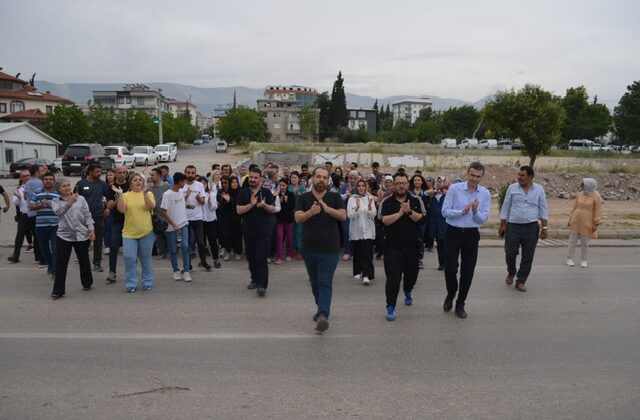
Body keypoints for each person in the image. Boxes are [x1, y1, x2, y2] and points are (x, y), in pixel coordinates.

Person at [295, 167, 346, 332]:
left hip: (330, 249)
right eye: (318, 176)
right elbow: (298, 218)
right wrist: (311, 212)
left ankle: (323, 314)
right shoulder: (303, 198)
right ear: (312, 179)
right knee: (315, 282)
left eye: (324, 177)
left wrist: (327, 208)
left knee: (325, 282)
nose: (321, 180)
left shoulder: (335, 197)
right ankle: (320, 308)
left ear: (328, 180)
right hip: (309, 248)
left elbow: (343, 216)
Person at [441, 162, 491, 319]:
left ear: (482, 177)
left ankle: (460, 303)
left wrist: (475, 211)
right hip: (453, 232)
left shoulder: (484, 194)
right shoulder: (455, 189)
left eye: (478, 176)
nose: (474, 179)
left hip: (471, 234)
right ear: (467, 174)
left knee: (468, 271)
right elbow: (445, 212)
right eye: (472, 175)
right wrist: (461, 211)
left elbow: (483, 219)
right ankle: (451, 292)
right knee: (449, 268)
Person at [379, 174, 426, 321]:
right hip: (392, 247)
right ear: (393, 185)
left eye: (404, 183)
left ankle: (407, 290)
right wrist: (400, 213)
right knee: (393, 278)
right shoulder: (386, 201)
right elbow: (384, 221)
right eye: (398, 183)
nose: (401, 186)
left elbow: (422, 218)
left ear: (408, 184)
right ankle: (390, 306)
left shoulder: (416, 200)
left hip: (412, 246)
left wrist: (410, 212)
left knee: (412, 275)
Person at [499, 166, 549, 292]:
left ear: (530, 177)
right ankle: (511, 271)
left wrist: (545, 227)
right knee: (510, 253)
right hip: (513, 227)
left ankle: (521, 280)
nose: (519, 177)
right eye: (518, 175)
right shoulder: (512, 188)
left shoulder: (539, 190)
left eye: (522, 175)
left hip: (531, 228)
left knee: (528, 256)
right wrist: (503, 224)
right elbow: (506, 206)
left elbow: (543, 208)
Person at [50, 179, 95, 299]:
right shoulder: (55, 201)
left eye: (68, 185)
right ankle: (58, 290)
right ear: (59, 189)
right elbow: (58, 213)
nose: (67, 188)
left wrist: (91, 229)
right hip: (64, 235)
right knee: (61, 263)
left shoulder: (81, 199)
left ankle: (87, 282)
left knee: (84, 259)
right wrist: (69, 203)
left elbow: (87, 214)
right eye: (63, 186)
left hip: (81, 234)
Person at [236, 167, 276, 297]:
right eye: (251, 177)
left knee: (261, 258)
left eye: (255, 178)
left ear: (260, 179)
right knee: (251, 257)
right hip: (248, 230)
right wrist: (251, 205)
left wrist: (264, 205)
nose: (252, 180)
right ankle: (254, 278)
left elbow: (273, 209)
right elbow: (238, 211)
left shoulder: (266, 192)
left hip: (264, 231)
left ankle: (262, 285)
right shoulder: (243, 193)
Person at [114, 173, 156, 293]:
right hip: (129, 233)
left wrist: (144, 194)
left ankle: (147, 282)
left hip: (146, 231)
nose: (138, 182)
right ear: (130, 183)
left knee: (146, 258)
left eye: (140, 180)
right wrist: (120, 194)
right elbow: (121, 209)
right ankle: (131, 283)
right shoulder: (126, 195)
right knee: (129, 257)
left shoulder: (148, 193)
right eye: (135, 180)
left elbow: (150, 206)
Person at [74, 163, 108, 272]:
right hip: (83, 218)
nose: (99, 174)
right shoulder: (81, 183)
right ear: (90, 172)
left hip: (98, 216)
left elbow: (108, 197)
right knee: (83, 240)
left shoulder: (102, 184)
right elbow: (74, 198)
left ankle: (97, 263)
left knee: (98, 241)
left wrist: (107, 208)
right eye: (97, 171)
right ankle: (83, 259)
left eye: (100, 171)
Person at [161, 172, 192, 282]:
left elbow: (180, 204)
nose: (185, 183)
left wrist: (188, 204)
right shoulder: (167, 194)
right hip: (171, 227)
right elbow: (164, 212)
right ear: (179, 182)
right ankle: (176, 271)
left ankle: (187, 271)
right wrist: (174, 225)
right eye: (184, 181)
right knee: (173, 250)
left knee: (185, 246)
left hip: (183, 224)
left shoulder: (181, 192)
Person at [181, 165, 212, 271]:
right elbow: (178, 203)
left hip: (197, 218)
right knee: (187, 244)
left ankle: (203, 262)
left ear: (195, 173)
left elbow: (203, 202)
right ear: (185, 173)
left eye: (192, 173)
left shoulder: (199, 185)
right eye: (188, 172)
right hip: (185, 218)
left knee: (201, 242)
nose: (190, 175)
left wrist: (199, 198)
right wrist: (186, 197)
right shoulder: (181, 185)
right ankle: (188, 265)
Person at [29, 172, 60, 277]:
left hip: (55, 225)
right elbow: (31, 206)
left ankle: (55, 270)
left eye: (50, 179)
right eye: (46, 179)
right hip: (41, 225)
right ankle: (50, 265)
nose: (48, 181)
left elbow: (61, 208)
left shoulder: (58, 193)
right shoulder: (37, 192)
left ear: (54, 181)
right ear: (42, 181)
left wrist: (50, 204)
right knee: (43, 248)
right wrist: (41, 204)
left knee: (55, 248)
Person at [566, 178, 602, 268]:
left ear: (588, 185)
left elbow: (598, 211)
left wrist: (596, 223)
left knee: (585, 241)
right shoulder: (579, 194)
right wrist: (570, 219)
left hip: (587, 221)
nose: (581, 186)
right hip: (576, 220)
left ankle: (584, 259)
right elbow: (574, 207)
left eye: (583, 184)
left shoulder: (596, 196)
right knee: (572, 240)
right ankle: (569, 258)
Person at [347, 179, 377, 285]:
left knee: (367, 253)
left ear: (366, 187)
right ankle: (357, 271)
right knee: (358, 252)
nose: (360, 188)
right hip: (356, 231)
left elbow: (373, 214)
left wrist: (369, 207)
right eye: (359, 186)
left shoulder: (370, 198)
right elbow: (350, 215)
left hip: (368, 230)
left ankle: (367, 275)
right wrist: (357, 208)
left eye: (362, 186)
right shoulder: (351, 199)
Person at [105, 165, 130, 284]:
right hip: (116, 221)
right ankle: (112, 272)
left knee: (130, 249)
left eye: (124, 172)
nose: (122, 174)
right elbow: (109, 205)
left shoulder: (131, 185)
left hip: (130, 221)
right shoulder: (111, 188)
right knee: (114, 246)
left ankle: (131, 272)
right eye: (119, 172)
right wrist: (120, 197)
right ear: (115, 174)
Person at [24, 164, 47, 266]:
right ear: (37, 172)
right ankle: (42, 259)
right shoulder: (40, 183)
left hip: (31, 213)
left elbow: (25, 196)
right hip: (39, 212)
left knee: (36, 236)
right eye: (42, 171)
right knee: (40, 237)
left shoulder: (28, 183)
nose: (43, 172)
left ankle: (37, 257)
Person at [8, 170, 32, 263]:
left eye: (28, 175)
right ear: (21, 178)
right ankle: (16, 255)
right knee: (20, 235)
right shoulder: (19, 189)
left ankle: (40, 257)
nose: (26, 177)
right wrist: (18, 196)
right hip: (24, 215)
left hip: (35, 214)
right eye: (24, 176)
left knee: (38, 237)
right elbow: (15, 202)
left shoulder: (37, 186)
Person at [426, 176, 449, 271]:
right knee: (439, 244)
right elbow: (427, 193)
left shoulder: (447, 194)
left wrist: (444, 190)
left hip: (445, 223)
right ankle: (441, 263)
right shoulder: (432, 194)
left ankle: (448, 262)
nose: (439, 183)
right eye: (438, 181)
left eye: (441, 181)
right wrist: (436, 191)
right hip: (435, 223)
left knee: (446, 245)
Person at [147, 168, 170, 259]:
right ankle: (162, 252)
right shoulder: (150, 188)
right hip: (155, 215)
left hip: (166, 214)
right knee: (158, 235)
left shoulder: (167, 186)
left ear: (159, 176)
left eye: (153, 175)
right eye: (150, 175)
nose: (151, 177)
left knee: (167, 234)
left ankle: (170, 251)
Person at [201, 176, 222, 268]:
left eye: (204, 184)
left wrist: (210, 203)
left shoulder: (211, 194)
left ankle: (215, 259)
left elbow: (214, 208)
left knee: (212, 240)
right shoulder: (195, 195)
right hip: (200, 221)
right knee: (201, 242)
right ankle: (203, 260)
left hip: (211, 220)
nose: (202, 185)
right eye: (200, 184)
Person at [275, 178, 296, 264]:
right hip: (279, 219)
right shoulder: (276, 194)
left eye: (283, 185)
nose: (282, 187)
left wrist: (287, 202)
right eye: (280, 185)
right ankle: (279, 256)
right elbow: (274, 207)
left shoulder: (291, 194)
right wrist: (278, 201)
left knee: (289, 237)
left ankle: (289, 253)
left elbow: (293, 206)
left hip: (289, 219)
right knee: (279, 237)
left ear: (287, 185)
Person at [339, 171, 359, 261]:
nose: (353, 180)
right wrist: (346, 195)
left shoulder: (359, 186)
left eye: (354, 178)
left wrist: (353, 196)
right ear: (348, 178)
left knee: (355, 232)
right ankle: (347, 252)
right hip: (345, 213)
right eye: (351, 178)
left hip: (356, 213)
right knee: (347, 232)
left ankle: (354, 252)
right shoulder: (344, 186)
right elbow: (340, 198)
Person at [103, 169, 115, 256]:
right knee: (108, 228)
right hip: (107, 210)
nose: (110, 177)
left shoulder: (117, 186)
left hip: (117, 209)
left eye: (111, 175)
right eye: (108, 175)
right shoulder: (104, 186)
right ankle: (107, 246)